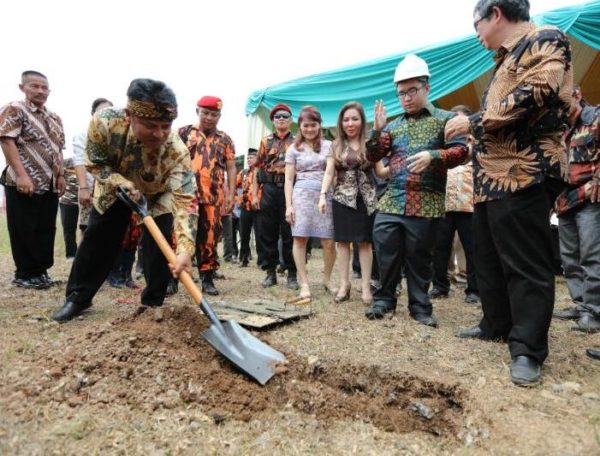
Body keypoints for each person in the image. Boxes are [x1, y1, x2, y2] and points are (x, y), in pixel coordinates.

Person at [445, 0, 573, 385]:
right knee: (488, 258)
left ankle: (528, 349)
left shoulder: (546, 39)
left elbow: (540, 91)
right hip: (490, 179)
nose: (477, 34)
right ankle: (496, 323)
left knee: (525, 262)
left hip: (524, 170)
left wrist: (475, 120)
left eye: (477, 25)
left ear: (496, 14)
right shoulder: (502, 60)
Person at [52, 78, 198, 322]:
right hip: (116, 186)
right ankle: (78, 298)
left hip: (157, 193)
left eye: (166, 125)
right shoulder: (105, 123)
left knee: (161, 245)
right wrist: (120, 182)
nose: (160, 134)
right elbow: (95, 164)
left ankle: (152, 304)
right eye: (151, 125)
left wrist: (184, 250)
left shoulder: (177, 151)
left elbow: (186, 202)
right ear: (130, 115)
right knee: (99, 237)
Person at [365, 55, 468, 327]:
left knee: (419, 258)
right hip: (392, 200)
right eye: (401, 93)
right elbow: (373, 154)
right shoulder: (393, 126)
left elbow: (462, 151)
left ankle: (420, 306)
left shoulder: (446, 119)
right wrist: (375, 132)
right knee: (385, 252)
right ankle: (384, 300)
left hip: (426, 202)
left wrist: (433, 156)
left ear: (427, 89)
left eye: (413, 91)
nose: (407, 98)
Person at [0, 70, 66, 290]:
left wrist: (61, 176)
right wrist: (21, 175)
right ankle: (25, 274)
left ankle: (40, 272)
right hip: (24, 179)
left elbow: (58, 150)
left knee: (46, 227)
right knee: (23, 227)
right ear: (22, 87)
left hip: (49, 182)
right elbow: (7, 141)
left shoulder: (54, 117)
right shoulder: (15, 109)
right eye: (34, 86)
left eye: (44, 87)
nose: (40, 91)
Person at [319, 102, 387, 304]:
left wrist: (400, 164)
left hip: (366, 199)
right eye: (346, 119)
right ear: (341, 122)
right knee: (342, 244)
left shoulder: (371, 143)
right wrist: (322, 194)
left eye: (355, 119)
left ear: (362, 121)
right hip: (342, 198)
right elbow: (329, 172)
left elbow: (381, 172)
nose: (350, 123)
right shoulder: (335, 145)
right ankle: (344, 284)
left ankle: (366, 287)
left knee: (365, 244)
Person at [553, 87, 600, 333]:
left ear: (577, 95)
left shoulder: (595, 117)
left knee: (592, 256)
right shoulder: (558, 131)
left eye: (563, 100)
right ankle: (581, 305)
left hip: (591, 196)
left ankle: (594, 312)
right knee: (569, 258)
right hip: (564, 199)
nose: (559, 107)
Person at [179, 96, 236, 296]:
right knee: (180, 235)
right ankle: (172, 279)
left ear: (219, 116)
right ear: (197, 112)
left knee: (210, 238)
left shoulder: (225, 139)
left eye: (214, 114)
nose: (209, 118)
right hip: (186, 197)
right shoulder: (183, 133)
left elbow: (231, 168)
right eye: (205, 113)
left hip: (213, 196)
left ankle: (207, 279)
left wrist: (230, 194)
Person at [430, 105, 479, 304]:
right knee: (440, 247)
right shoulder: (444, 144)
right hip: (444, 204)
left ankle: (475, 289)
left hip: (469, 205)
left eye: (460, 120)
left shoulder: (476, 143)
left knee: (472, 249)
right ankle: (440, 286)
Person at [285, 106, 336, 300]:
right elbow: (289, 179)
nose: (309, 129)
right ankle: (304, 283)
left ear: (319, 125)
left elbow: (330, 171)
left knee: (329, 242)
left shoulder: (329, 145)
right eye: (306, 125)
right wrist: (289, 205)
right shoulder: (293, 149)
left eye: (313, 125)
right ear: (300, 126)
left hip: (324, 195)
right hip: (301, 196)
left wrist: (323, 193)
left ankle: (327, 279)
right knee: (299, 238)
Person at [252, 104, 298, 289]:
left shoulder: (297, 141)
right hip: (269, 189)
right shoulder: (265, 141)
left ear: (290, 120)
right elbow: (257, 168)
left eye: (285, 116)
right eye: (277, 116)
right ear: (273, 120)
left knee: (290, 232)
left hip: (291, 190)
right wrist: (254, 194)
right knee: (267, 232)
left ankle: (292, 273)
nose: (281, 119)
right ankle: (270, 272)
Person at [73, 98, 114, 230]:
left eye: (109, 112)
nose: (105, 115)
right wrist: (84, 188)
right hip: (90, 190)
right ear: (93, 113)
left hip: (113, 191)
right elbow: (79, 160)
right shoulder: (82, 135)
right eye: (101, 111)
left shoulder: (118, 135)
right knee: (88, 230)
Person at [238, 148, 258, 267]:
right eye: (248, 158)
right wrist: (236, 198)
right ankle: (243, 258)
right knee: (244, 234)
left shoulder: (261, 171)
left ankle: (262, 260)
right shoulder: (243, 173)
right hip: (245, 207)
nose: (249, 160)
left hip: (258, 207)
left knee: (260, 234)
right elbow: (233, 184)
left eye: (251, 158)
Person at [59, 158, 80, 259]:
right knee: (69, 228)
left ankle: (85, 253)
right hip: (67, 201)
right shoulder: (66, 162)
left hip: (85, 201)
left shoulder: (86, 163)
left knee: (86, 228)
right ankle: (71, 254)